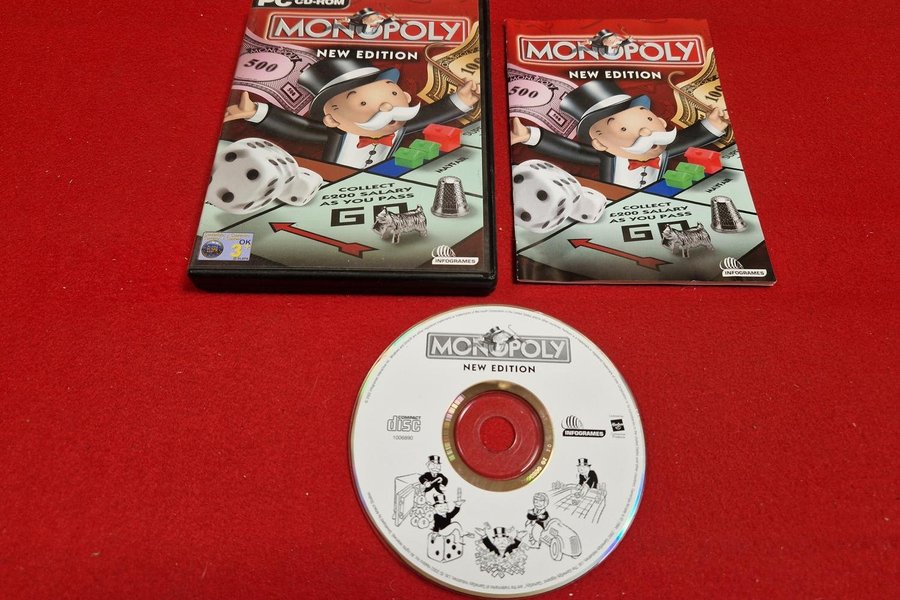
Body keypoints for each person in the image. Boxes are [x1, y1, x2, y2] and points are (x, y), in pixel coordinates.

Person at [225, 58, 479, 168]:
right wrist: (257, 112)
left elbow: (427, 116)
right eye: (363, 103)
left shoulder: (398, 125)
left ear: (406, 95)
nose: (387, 108)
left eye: (393, 94)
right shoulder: (337, 134)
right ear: (332, 118)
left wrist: (461, 100)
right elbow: (300, 129)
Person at [510, 79, 728, 189]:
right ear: (600, 143)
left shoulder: (662, 148)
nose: (646, 131)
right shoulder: (608, 158)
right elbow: (573, 151)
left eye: (649, 120)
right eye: (624, 129)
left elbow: (687, 139)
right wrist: (529, 135)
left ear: (661, 122)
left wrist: (713, 124)